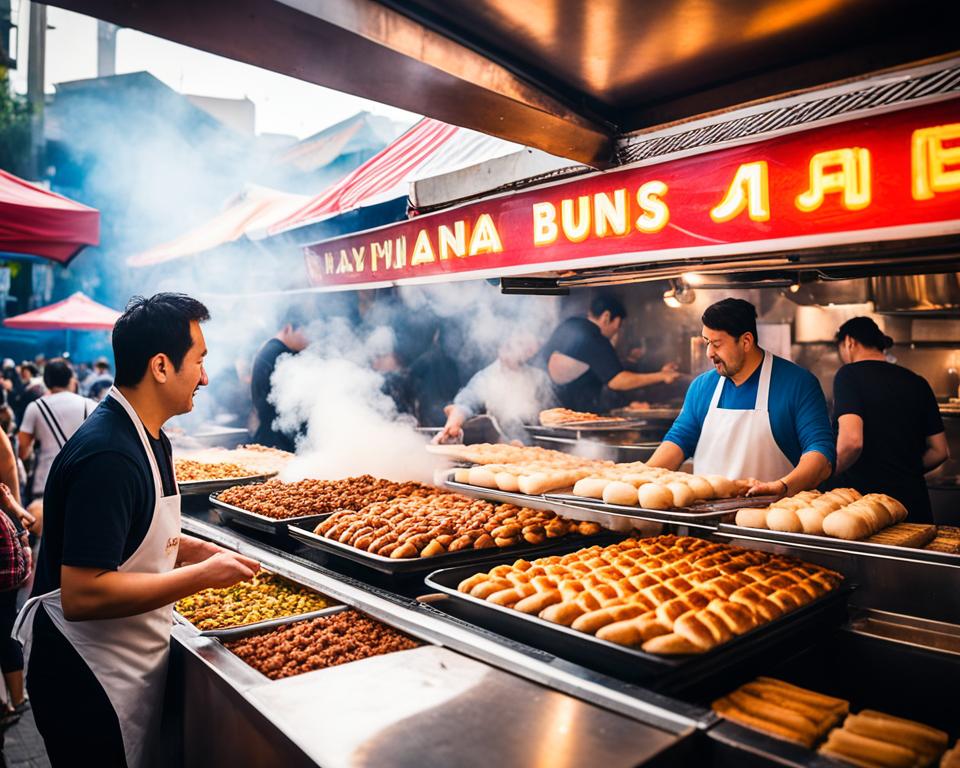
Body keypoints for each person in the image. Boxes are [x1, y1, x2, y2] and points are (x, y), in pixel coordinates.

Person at [13, 293, 260, 768]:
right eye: (200, 361)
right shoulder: (110, 455)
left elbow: (139, 534)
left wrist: (196, 550)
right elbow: (83, 594)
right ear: (162, 366)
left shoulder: (150, 438)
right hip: (85, 675)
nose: (205, 377)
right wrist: (204, 576)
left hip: (122, 661)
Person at [647, 298, 835, 497]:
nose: (709, 353)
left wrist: (782, 487)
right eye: (707, 342)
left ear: (746, 341)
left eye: (717, 344)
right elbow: (677, 442)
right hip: (705, 521)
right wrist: (640, 478)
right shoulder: (702, 387)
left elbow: (821, 454)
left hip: (768, 519)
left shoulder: (797, 384)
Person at [832, 317, 949, 522]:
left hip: (867, 508)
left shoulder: (849, 375)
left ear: (849, 342)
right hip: (913, 505)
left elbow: (851, 442)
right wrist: (904, 470)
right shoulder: (917, 382)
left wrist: (824, 473)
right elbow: (940, 452)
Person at [541, 293, 679, 413]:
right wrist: (662, 376)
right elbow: (617, 381)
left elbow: (607, 367)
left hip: (546, 406)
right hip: (568, 414)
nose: (616, 331)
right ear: (606, 316)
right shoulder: (595, 337)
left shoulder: (571, 325)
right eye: (618, 324)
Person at [435, 332, 556, 443]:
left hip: (539, 451)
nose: (512, 351)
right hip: (501, 450)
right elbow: (466, 402)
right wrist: (454, 421)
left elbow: (551, 419)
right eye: (508, 346)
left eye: (522, 346)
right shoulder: (486, 377)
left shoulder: (539, 378)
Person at [18, 358, 97, 505]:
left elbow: (23, 450)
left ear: (46, 382)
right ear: (71, 380)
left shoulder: (35, 407)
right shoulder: (91, 406)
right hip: (83, 484)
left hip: (45, 485)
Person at [251, 307, 310, 451]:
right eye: (305, 332)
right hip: (278, 441)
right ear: (288, 328)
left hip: (272, 437)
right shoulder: (279, 354)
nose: (309, 339)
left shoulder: (271, 349)